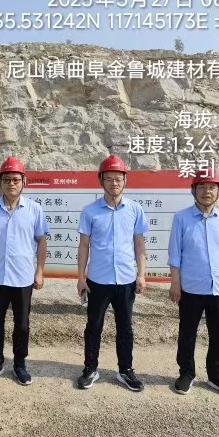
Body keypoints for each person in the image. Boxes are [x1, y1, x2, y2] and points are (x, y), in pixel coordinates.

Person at [76, 155, 149, 391]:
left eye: (118, 179)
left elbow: (139, 244)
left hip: (126, 280)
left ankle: (125, 370)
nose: (114, 183)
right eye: (109, 179)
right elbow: (84, 246)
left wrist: (141, 274)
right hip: (98, 280)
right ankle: (90, 368)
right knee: (93, 326)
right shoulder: (90, 211)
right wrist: (81, 277)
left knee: (125, 327)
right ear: (101, 181)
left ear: (125, 181)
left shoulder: (135, 210)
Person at [168, 169, 219, 399]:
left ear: (218, 191)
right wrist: (175, 283)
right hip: (191, 287)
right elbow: (174, 254)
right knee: (187, 333)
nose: (206, 191)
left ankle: (216, 376)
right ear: (193, 190)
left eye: (211, 187)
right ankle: (186, 373)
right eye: (201, 187)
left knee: (218, 333)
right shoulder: (181, 218)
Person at [0, 156, 49, 385]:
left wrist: (39, 271)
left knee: (22, 324)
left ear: (23, 182)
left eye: (16, 179)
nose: (11, 183)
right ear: (0, 182)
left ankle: (20, 364)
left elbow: (41, 241)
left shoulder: (34, 209)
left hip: (23, 277)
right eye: (6, 179)